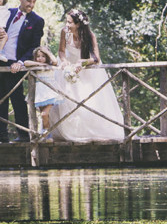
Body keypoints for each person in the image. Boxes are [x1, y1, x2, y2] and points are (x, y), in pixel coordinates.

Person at [51, 9, 125, 142]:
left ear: (78, 24)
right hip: (69, 70)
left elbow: (96, 58)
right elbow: (61, 51)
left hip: (86, 72)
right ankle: (71, 132)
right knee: (69, 102)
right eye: (66, 21)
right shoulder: (64, 32)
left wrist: (83, 62)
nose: (67, 25)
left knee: (89, 102)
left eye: (69, 22)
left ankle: (92, 132)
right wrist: (65, 62)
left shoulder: (90, 36)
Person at [0, 0, 45, 143]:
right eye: (28, 1)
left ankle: (23, 135)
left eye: (34, 2)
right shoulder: (7, 12)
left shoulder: (37, 21)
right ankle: (0, 134)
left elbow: (34, 47)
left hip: (16, 65)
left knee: (18, 101)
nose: (31, 5)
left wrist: (21, 62)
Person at [25, 46, 61, 136]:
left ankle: (47, 133)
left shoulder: (51, 65)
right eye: (38, 56)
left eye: (43, 56)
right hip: (39, 93)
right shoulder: (36, 66)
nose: (40, 58)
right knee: (44, 115)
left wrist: (47, 52)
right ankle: (47, 134)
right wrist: (40, 64)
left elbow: (55, 61)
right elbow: (26, 62)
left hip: (50, 92)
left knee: (44, 114)